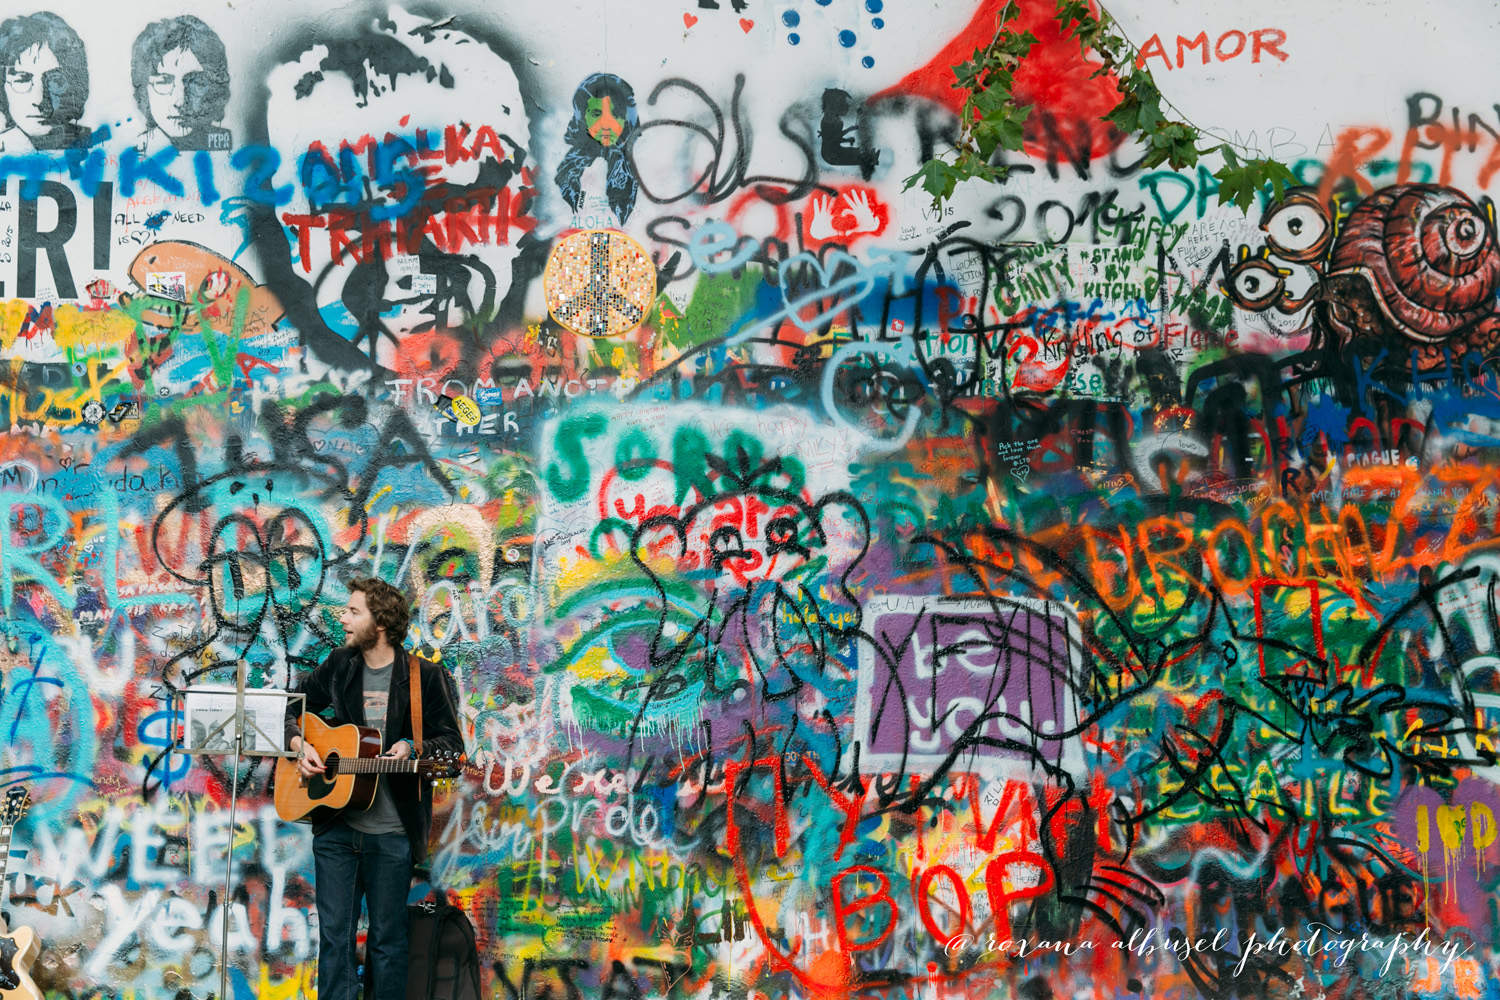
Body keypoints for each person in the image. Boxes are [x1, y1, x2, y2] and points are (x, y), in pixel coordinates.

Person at [282, 577, 465, 1000]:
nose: (341, 617)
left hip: (392, 834)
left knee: (387, 945)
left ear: (379, 622)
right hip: (336, 828)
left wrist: (412, 746)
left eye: (352, 611)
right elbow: (290, 707)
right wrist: (299, 743)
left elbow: (452, 746)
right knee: (334, 942)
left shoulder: (425, 677)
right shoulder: (339, 665)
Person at [129, 15, 232, 155]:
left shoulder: (225, 149)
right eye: (163, 81)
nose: (180, 100)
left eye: (195, 81)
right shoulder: (138, 149)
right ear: (144, 91)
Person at [554, 72, 640, 226]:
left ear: (627, 120)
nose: (606, 124)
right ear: (582, 117)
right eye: (596, 113)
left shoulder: (633, 166)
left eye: (616, 114)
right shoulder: (570, 168)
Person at [0, 11, 89, 152]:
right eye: (22, 79)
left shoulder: (99, 145)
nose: (40, 100)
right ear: (3, 88)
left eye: (55, 80)